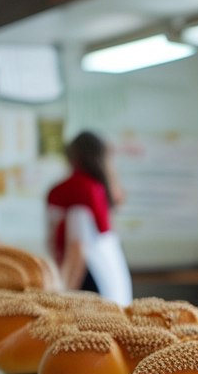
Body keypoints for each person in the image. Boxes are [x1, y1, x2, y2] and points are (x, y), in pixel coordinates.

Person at [46, 131, 133, 306]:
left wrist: (59, 297)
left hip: (92, 284)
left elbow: (76, 253)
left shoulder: (69, 191)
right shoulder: (101, 188)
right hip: (114, 285)